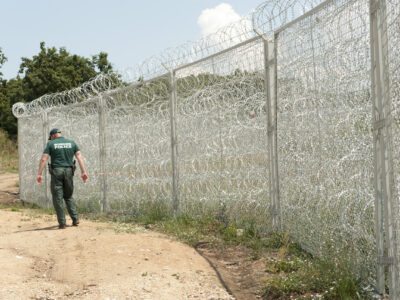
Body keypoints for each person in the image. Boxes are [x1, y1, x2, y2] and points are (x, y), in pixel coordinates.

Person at [36, 128, 88, 229]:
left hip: (57, 172)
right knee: (68, 196)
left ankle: (62, 223)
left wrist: (39, 174)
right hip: (69, 171)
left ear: (52, 136)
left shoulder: (51, 144)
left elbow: (44, 159)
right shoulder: (72, 143)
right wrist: (83, 172)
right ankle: (75, 219)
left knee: (57, 198)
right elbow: (79, 157)